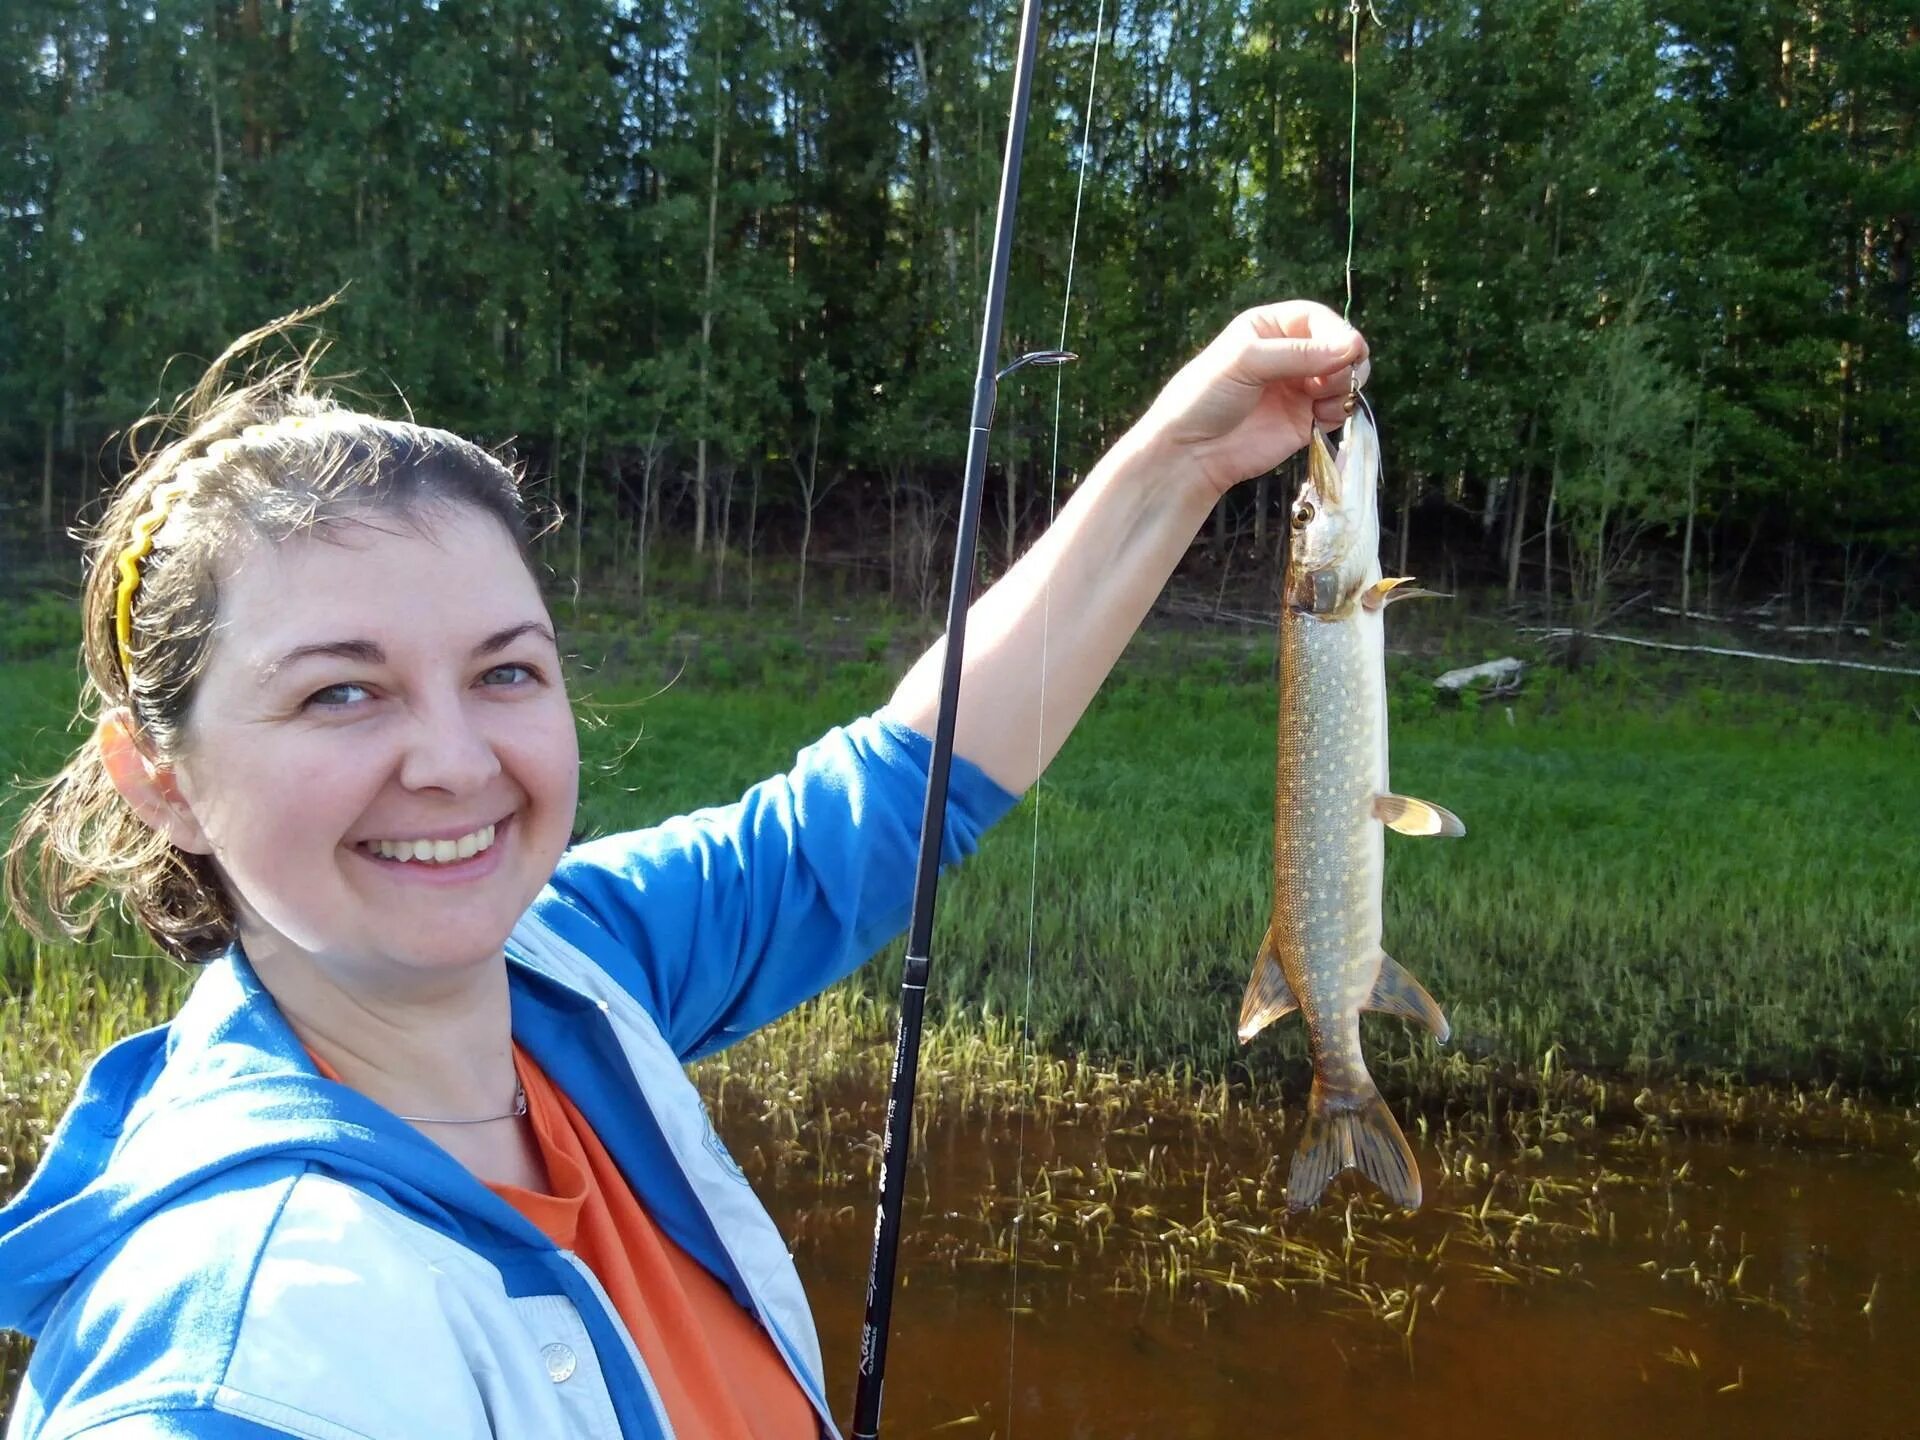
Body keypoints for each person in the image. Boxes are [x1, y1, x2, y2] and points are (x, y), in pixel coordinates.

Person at [0, 299, 1369, 1439]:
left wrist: (1181, 462)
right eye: (340, 695)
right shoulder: (229, 1364)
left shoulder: (564, 964)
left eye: (506, 671)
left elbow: (892, 797)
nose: (453, 759)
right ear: (158, 778)